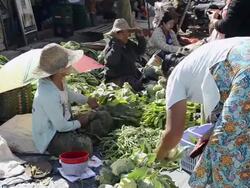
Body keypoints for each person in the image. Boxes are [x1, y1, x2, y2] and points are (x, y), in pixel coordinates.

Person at [156, 37, 250, 187]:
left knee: (224, 151)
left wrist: (158, 158)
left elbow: (173, 133)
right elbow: (232, 109)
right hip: (244, 56)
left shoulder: (175, 77)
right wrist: (211, 131)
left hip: (245, 70)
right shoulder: (199, 58)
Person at [32, 43, 108, 156]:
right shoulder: (47, 94)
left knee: (103, 115)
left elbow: (68, 94)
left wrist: (87, 100)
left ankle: (82, 136)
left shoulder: (60, 80)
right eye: (68, 63)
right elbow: (61, 126)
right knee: (84, 146)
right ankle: (83, 138)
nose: (71, 64)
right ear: (60, 69)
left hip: (67, 122)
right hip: (53, 136)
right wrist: (80, 122)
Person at [103, 18, 146, 92]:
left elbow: (140, 52)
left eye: (127, 32)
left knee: (146, 77)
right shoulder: (112, 45)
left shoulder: (129, 44)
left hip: (131, 74)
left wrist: (140, 38)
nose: (127, 34)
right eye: (122, 32)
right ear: (117, 34)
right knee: (134, 84)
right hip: (117, 79)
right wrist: (118, 44)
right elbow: (112, 61)